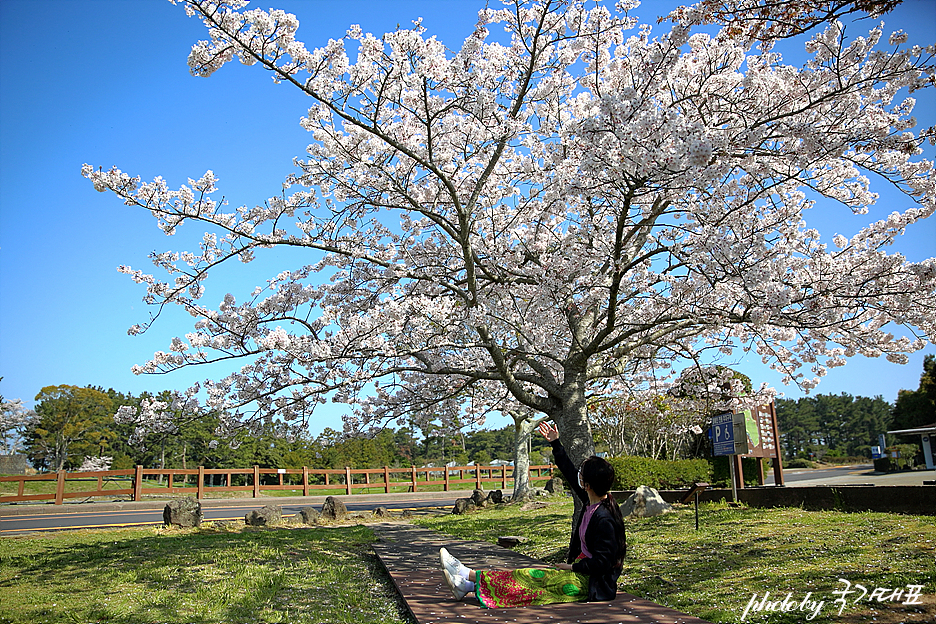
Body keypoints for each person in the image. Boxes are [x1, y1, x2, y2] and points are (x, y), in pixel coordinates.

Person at [439, 421, 627, 608]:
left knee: (533, 578)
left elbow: (603, 562)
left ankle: (467, 574)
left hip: (592, 584)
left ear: (588, 484)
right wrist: (556, 443)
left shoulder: (605, 518)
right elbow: (569, 471)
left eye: (582, 474)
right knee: (534, 578)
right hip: (582, 573)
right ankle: (466, 584)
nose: (578, 475)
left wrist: (572, 567)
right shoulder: (590, 501)